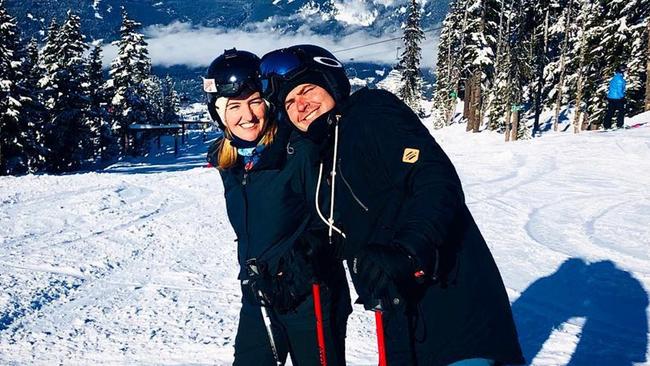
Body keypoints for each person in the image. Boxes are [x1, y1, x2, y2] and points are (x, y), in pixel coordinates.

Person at [259, 44, 525, 366]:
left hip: (451, 298)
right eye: (289, 103)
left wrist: (408, 251)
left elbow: (434, 181)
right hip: (398, 310)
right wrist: (300, 264)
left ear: (330, 83)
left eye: (306, 90)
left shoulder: (371, 112)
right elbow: (352, 229)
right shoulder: (327, 152)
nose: (300, 105)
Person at [203, 48, 351, 366]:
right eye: (234, 106)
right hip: (259, 294)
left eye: (255, 101)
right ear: (219, 113)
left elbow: (338, 220)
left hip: (309, 297)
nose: (248, 116)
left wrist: (300, 265)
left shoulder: (297, 150)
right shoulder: (229, 162)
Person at [604, 64, 627, 130]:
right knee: (621, 111)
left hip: (610, 97)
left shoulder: (614, 78)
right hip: (617, 98)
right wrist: (622, 97)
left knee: (610, 111)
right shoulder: (620, 79)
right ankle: (620, 125)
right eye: (625, 70)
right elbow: (619, 90)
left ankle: (606, 125)